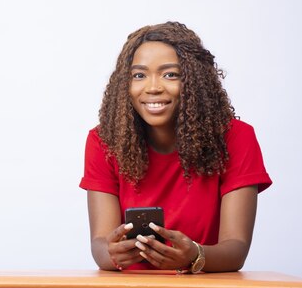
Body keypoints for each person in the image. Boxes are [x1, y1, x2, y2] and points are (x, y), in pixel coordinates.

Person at [79, 22, 272, 273]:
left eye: (170, 74)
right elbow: (100, 247)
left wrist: (194, 255)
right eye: (139, 75)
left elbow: (235, 249)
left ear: (194, 81)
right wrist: (111, 252)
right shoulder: (103, 141)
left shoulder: (237, 138)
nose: (153, 87)